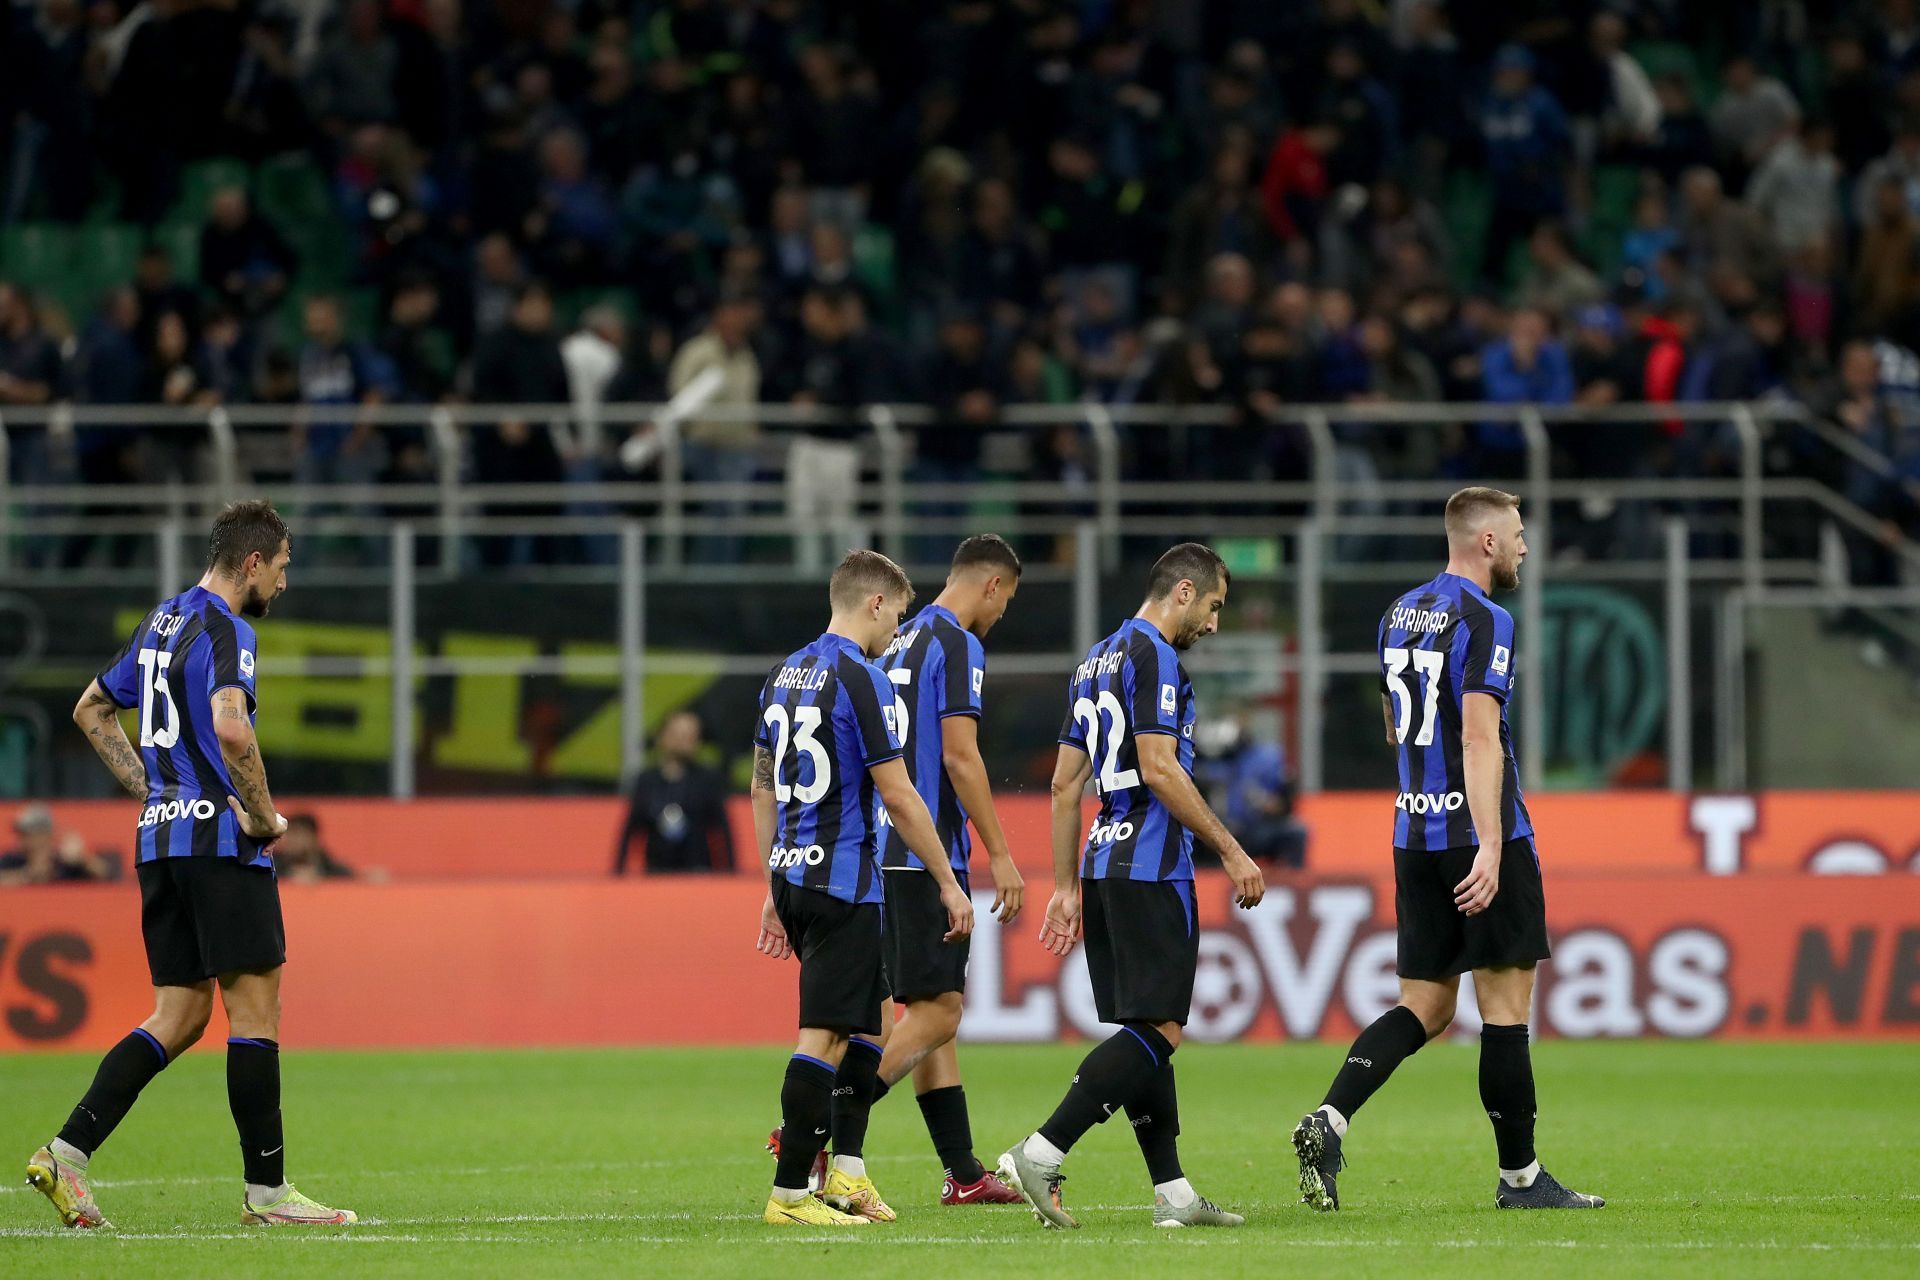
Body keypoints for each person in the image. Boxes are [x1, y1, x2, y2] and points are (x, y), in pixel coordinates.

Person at [26, 500, 356, 1229]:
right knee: (255, 1011)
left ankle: (64, 1154)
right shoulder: (225, 627)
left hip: (160, 842)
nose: (283, 583)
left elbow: (91, 708)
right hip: (218, 846)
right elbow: (234, 731)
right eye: (281, 567)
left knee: (178, 1015)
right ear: (251, 564)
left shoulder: (160, 621)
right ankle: (267, 1194)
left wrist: (159, 794)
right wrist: (265, 817)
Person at [1290, 487, 1603, 1213]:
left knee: (1426, 1008)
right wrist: (1491, 845)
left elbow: (1395, 723)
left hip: (1413, 831)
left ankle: (1330, 1118)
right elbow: (1477, 732)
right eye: (1518, 534)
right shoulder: (1487, 619)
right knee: (1503, 1006)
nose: (1525, 545)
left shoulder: (1398, 613)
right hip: (1477, 834)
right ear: (1486, 542)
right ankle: (1522, 1180)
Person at [997, 542, 1266, 1231]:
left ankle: (1172, 1192)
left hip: (1101, 861)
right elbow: (1161, 766)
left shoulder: (1095, 661)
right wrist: (1232, 850)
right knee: (1162, 1028)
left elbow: (1063, 784)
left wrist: (1063, 885)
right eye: (1212, 606)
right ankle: (1042, 1148)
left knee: (1146, 1028)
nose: (1212, 622)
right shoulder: (1156, 657)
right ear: (1182, 592)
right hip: (1152, 864)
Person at [776, 535, 1028, 1205]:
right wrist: (997, 853)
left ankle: (964, 1170)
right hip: (922, 847)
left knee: (922, 1012)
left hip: (871, 848)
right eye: (1006, 600)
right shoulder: (956, 643)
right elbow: (959, 758)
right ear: (992, 587)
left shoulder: (900, 635)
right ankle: (817, 1126)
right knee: (941, 1012)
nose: (1001, 615)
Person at [750, 550, 975, 1226]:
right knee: (821, 1037)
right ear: (874, 602)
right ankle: (791, 1194)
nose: (896, 631)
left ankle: (846, 1172)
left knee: (875, 1019)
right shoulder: (864, 679)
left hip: (795, 872)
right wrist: (949, 883)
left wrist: (771, 881)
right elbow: (901, 796)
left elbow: (763, 786)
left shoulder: (781, 673)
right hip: (841, 879)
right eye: (897, 615)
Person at [613, 710, 735, 873]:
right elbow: (630, 830)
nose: (684, 742)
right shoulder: (647, 781)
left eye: (691, 736)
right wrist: (618, 873)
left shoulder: (707, 780)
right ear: (662, 737)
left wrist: (730, 874)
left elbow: (723, 831)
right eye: (678, 735)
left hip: (699, 873)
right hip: (655, 874)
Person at [0, 806, 116, 884]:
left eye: (27, 834)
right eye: (20, 834)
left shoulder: (65, 860)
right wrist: (29, 874)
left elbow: (108, 876)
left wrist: (83, 858)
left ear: (46, 834)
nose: (22, 840)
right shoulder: (12, 859)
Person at [274, 814, 354, 883]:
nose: (290, 840)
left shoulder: (336, 871)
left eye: (297, 834)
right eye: (287, 834)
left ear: (313, 838)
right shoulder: (272, 868)